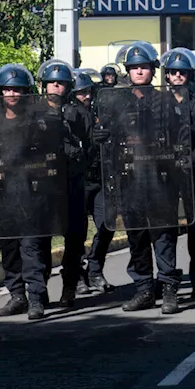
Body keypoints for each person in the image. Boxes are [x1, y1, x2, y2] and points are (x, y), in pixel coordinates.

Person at [121, 45, 195, 314]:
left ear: (190, 75)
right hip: (147, 178)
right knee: (145, 235)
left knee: (191, 232)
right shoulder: (141, 100)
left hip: (183, 175)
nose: (177, 76)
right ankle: (145, 289)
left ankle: (192, 284)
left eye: (182, 72)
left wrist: (186, 161)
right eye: (173, 72)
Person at [0, 64, 57, 320]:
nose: (12, 93)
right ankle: (17, 296)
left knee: (31, 249)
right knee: (9, 250)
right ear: (0, 92)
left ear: (26, 92)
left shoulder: (37, 123)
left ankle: (36, 298)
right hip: (3, 196)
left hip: (31, 195)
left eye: (17, 89)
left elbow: (49, 159)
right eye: (7, 89)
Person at [37, 59, 92, 308]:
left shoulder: (79, 113)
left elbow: (92, 145)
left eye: (61, 84)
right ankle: (40, 289)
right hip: (44, 186)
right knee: (40, 239)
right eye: (51, 83)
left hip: (72, 182)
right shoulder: (33, 112)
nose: (55, 88)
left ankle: (69, 287)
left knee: (74, 239)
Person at [72, 68, 116, 295]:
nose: (86, 96)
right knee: (77, 232)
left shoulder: (99, 111)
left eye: (88, 91)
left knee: (107, 224)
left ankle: (95, 269)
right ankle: (77, 276)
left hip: (99, 178)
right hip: (79, 180)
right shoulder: (69, 115)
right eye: (81, 93)